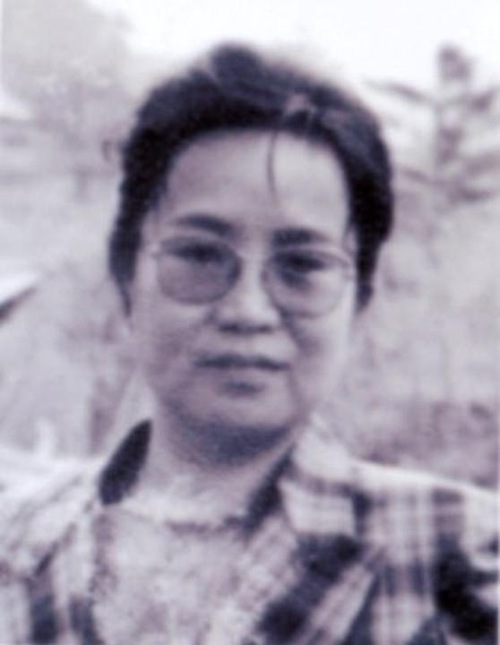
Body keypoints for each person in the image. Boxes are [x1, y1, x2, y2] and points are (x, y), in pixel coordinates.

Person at [0, 44, 496, 645]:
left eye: (303, 265)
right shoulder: (17, 546)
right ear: (128, 279)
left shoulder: (461, 554)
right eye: (200, 255)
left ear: (358, 300)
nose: (247, 311)